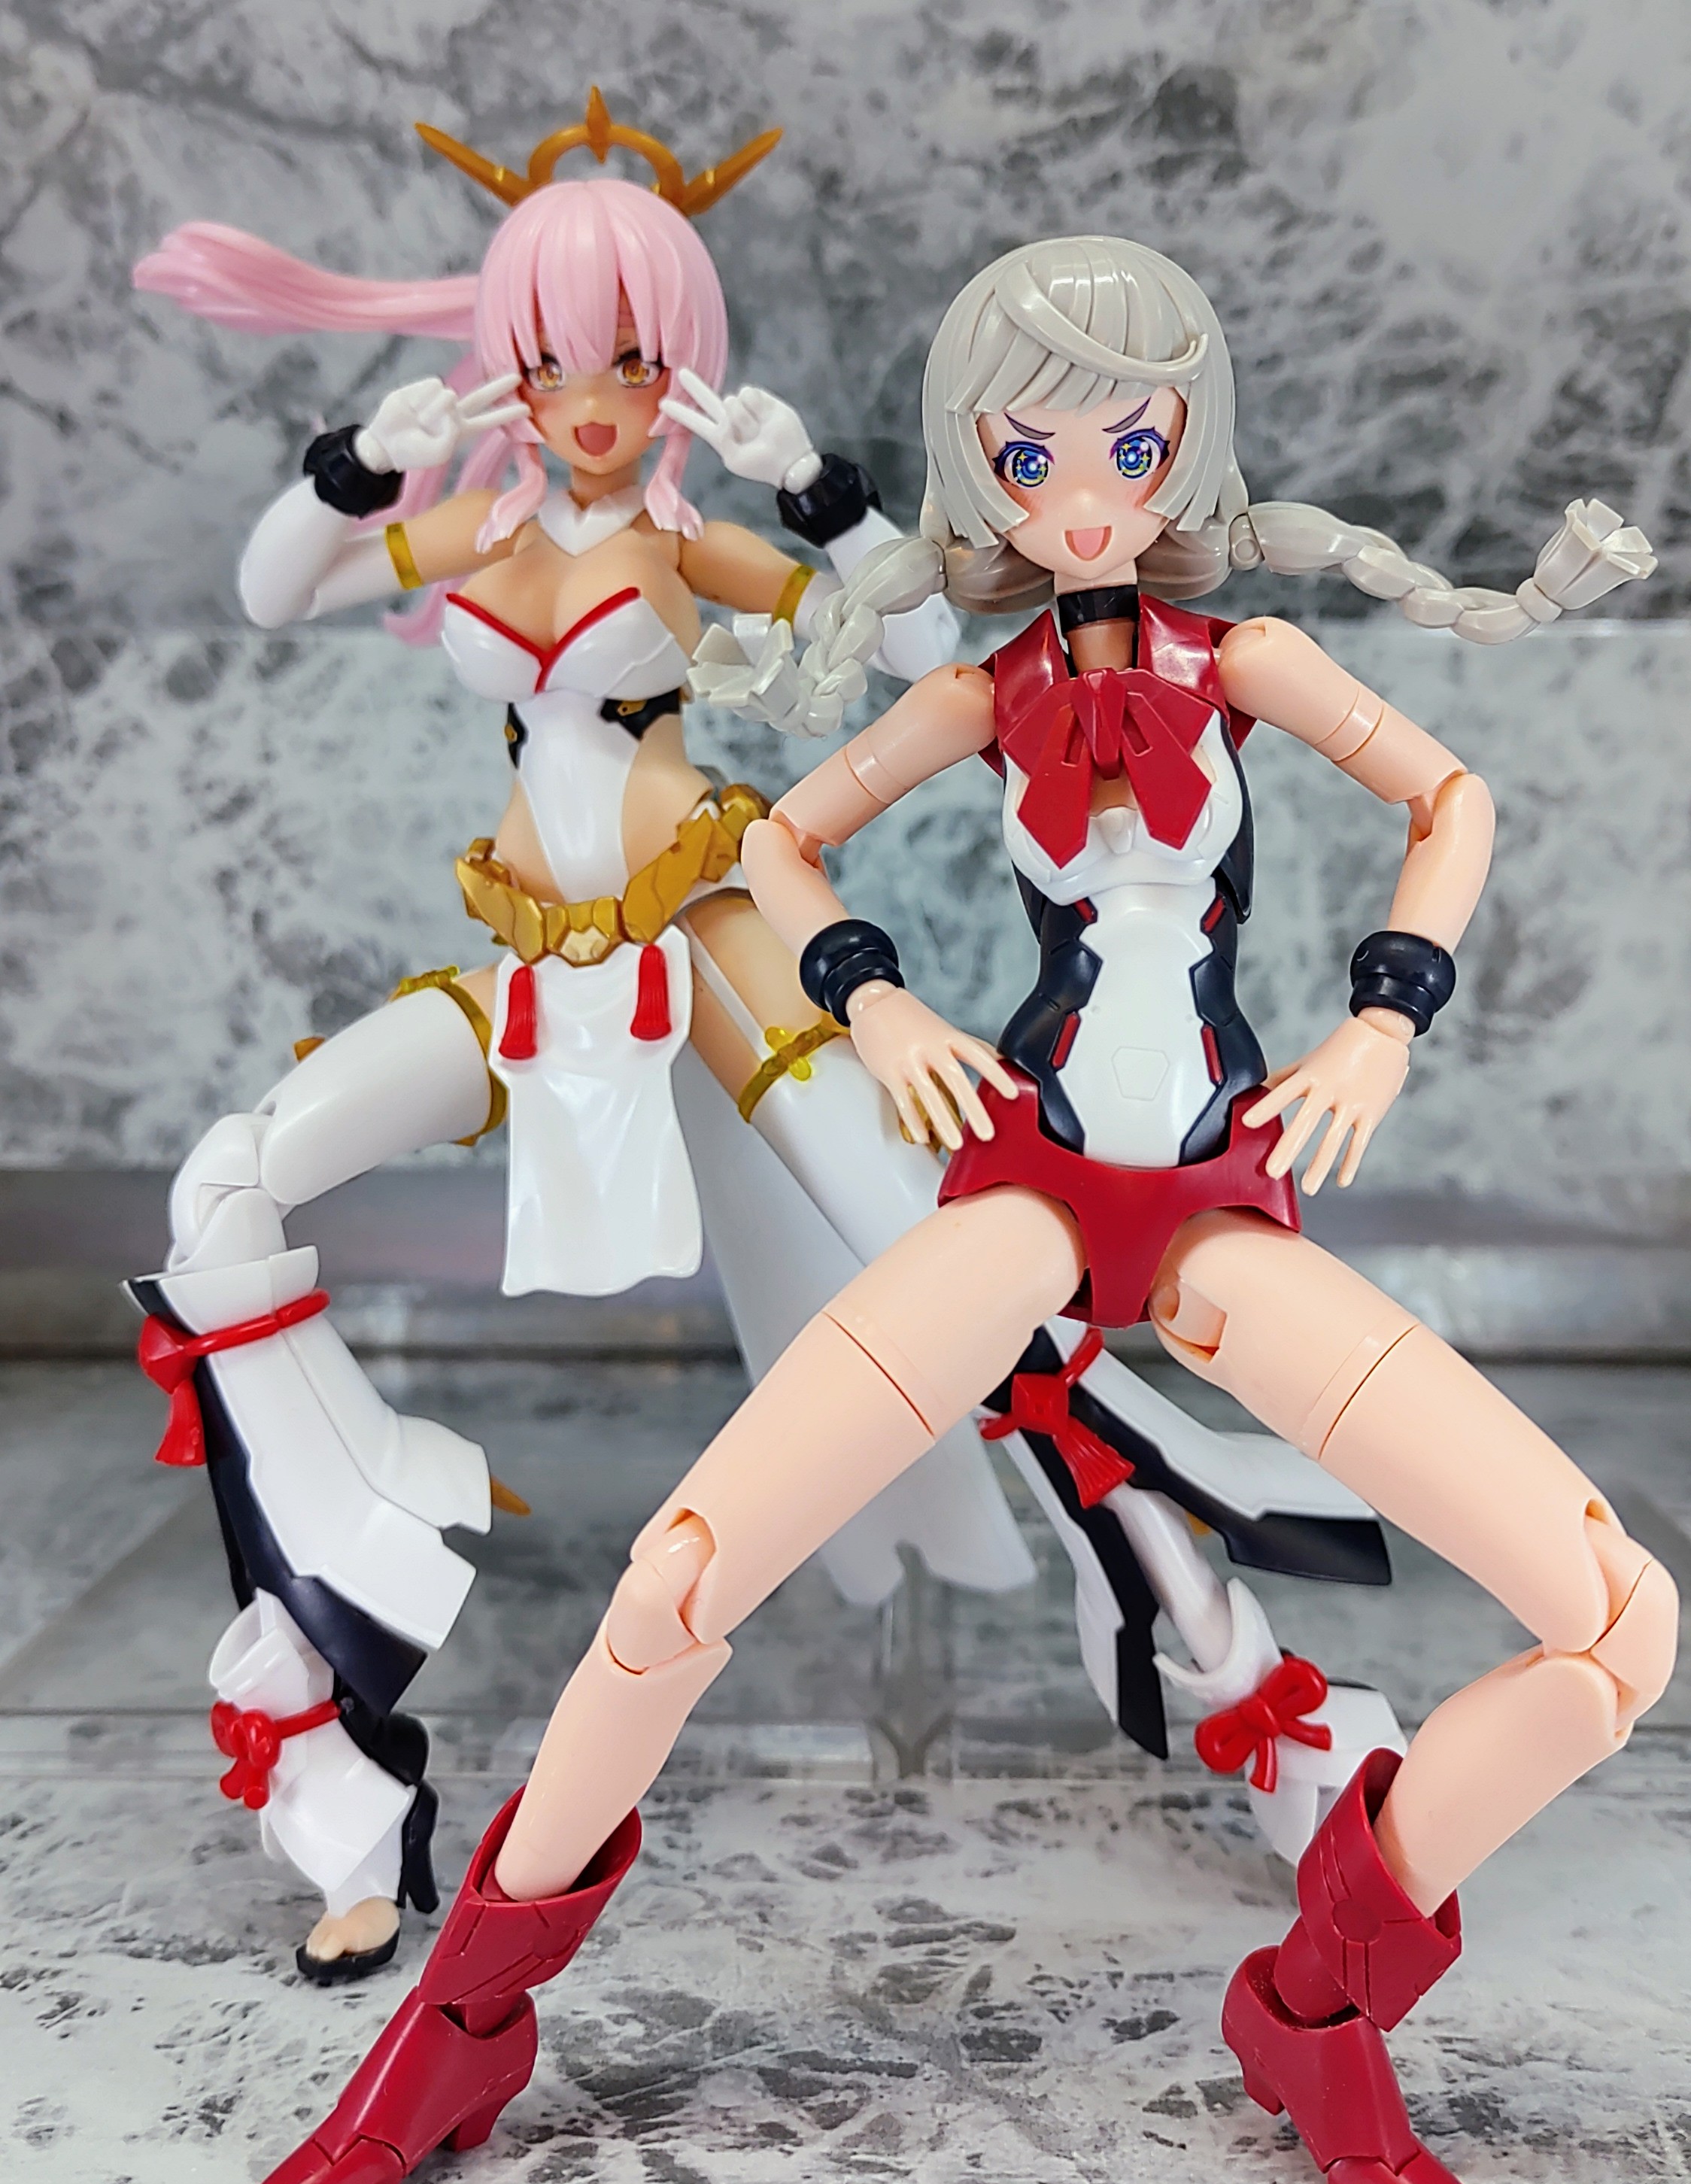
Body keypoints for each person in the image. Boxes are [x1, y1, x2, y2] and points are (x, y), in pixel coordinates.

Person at [240, 233, 1669, 2184]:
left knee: (1618, 1623)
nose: (1080, 498)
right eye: (1026, 456)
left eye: (1129, 447)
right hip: (1027, 1190)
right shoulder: (984, 693)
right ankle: (459, 2026)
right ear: (979, 470)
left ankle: (1321, 2000)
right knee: (681, 1575)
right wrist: (879, 1005)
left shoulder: (1248, 665)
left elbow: (1452, 800)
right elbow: (777, 837)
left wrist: (1381, 1020)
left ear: (1187, 451)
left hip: (1211, 1207)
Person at [130, 129, 1391, 1994]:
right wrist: (350, 470)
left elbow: (907, 640)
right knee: (226, 1191)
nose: (591, 398)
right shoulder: (477, 533)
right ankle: (325, 1753)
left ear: (681, 371)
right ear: (504, 363)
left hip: (710, 941)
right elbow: (268, 589)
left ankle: (1250, 1693)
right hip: (531, 970)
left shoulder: (682, 539)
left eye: (633, 358)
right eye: (552, 357)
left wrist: (818, 491)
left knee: (971, 1286)